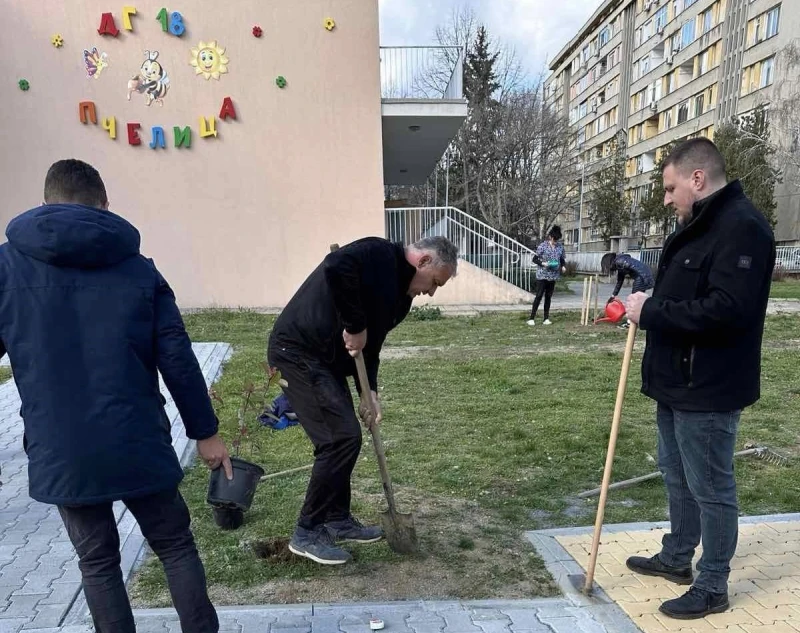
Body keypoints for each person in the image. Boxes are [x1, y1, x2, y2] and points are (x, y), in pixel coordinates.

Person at [0, 159, 232, 633]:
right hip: (137, 439)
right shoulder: (138, 269)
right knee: (174, 545)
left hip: (62, 450)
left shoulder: (6, 268)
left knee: (98, 563)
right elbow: (179, 359)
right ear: (104, 206)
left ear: (45, 203)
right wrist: (205, 433)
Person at [624, 138, 776, 620]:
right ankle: (676, 557)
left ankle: (713, 584)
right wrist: (651, 297)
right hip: (675, 380)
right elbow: (688, 293)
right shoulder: (698, 226)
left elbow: (729, 311)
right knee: (676, 474)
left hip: (708, 385)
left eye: (670, 189)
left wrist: (652, 310)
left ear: (697, 178)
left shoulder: (743, 228)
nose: (666, 199)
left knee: (710, 485)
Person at [268, 236, 458, 565]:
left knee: (344, 437)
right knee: (340, 438)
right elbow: (336, 265)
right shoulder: (379, 254)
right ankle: (307, 530)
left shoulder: (401, 300)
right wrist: (355, 325)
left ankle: (337, 518)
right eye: (435, 283)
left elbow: (370, 346)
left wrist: (369, 391)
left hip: (327, 363)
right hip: (297, 351)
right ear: (423, 261)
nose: (431, 292)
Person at [527, 225, 566, 326]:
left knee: (548, 296)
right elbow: (534, 259)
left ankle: (546, 318)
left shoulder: (560, 247)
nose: (555, 241)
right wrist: (542, 263)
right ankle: (531, 318)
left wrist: (563, 266)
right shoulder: (543, 246)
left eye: (557, 240)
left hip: (553, 275)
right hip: (542, 275)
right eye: (554, 239)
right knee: (539, 295)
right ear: (550, 237)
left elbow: (562, 259)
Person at [607, 252, 655, 329]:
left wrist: (646, 279)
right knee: (638, 301)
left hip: (642, 277)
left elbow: (637, 268)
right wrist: (613, 295)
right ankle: (638, 321)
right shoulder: (620, 263)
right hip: (643, 276)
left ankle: (630, 323)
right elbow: (620, 282)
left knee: (634, 300)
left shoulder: (620, 261)